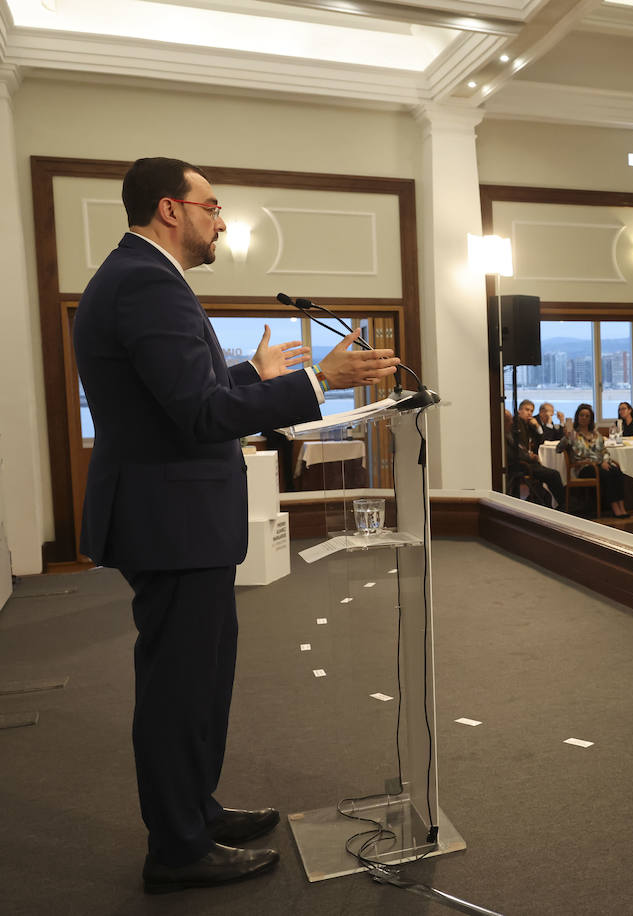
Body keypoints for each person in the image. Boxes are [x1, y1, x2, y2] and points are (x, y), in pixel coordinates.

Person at [73, 158, 400, 893]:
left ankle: (195, 812)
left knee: (200, 678)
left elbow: (190, 395)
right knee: (178, 687)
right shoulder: (148, 283)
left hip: (175, 516)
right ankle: (178, 848)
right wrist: (321, 382)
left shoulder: (139, 280)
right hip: (171, 519)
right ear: (169, 208)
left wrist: (251, 375)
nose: (221, 221)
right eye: (212, 205)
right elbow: (199, 415)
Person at [561, 403, 630, 518]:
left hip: (600, 464)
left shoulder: (596, 434)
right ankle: (614, 507)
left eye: (587, 416)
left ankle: (621, 506)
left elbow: (604, 451)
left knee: (617, 471)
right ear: (577, 417)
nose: (584, 418)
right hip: (584, 466)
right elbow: (560, 449)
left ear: (591, 419)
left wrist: (606, 461)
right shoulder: (573, 434)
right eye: (581, 415)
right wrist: (566, 437)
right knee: (607, 473)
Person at [508, 400, 566, 509]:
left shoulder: (529, 424)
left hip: (531, 460)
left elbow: (541, 440)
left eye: (531, 411)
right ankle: (563, 504)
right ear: (519, 411)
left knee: (552, 475)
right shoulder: (516, 423)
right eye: (526, 410)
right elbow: (518, 446)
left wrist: (537, 427)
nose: (529, 413)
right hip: (523, 462)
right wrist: (529, 455)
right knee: (554, 475)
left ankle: (558, 503)